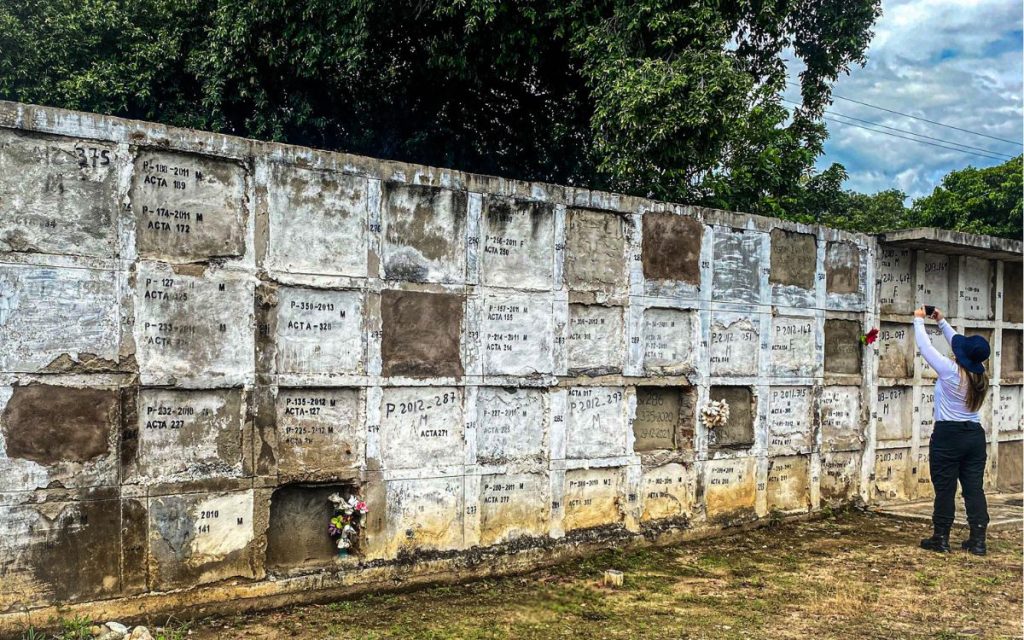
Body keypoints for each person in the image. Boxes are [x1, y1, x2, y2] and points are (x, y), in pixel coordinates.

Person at [913, 305, 991, 555]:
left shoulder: (950, 371)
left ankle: (941, 538)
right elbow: (959, 344)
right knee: (973, 488)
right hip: (975, 437)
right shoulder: (980, 376)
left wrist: (918, 320)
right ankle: (978, 541)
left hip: (948, 437)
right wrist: (942, 322)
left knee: (945, 488)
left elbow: (926, 349)